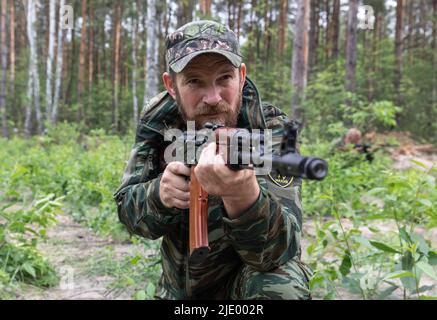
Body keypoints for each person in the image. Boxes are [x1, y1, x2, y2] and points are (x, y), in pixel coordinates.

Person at [113, 20, 312, 300]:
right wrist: (160, 193)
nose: (213, 97)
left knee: (281, 284)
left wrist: (244, 197)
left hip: (245, 285)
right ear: (171, 85)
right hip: (179, 292)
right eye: (195, 81)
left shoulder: (273, 129)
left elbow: (279, 251)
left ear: (241, 76)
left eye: (224, 78)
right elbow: (128, 211)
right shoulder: (159, 121)